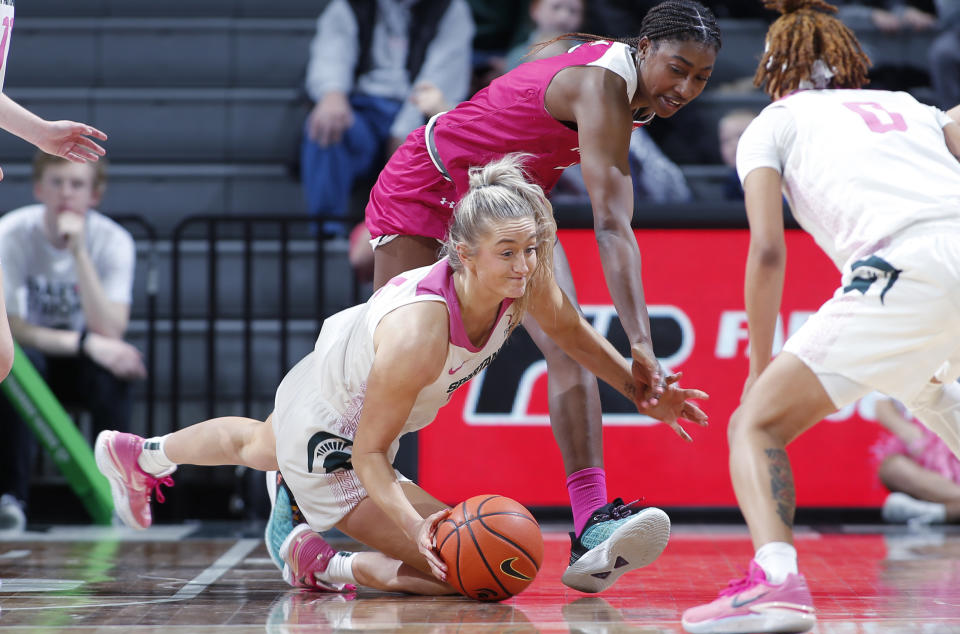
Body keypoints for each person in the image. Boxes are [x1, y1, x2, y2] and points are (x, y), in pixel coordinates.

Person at [95, 155, 709, 596]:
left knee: (257, 443)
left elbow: (574, 336)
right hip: (334, 441)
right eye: (509, 252)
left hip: (335, 371)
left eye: (531, 249)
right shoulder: (420, 333)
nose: (525, 265)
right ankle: (320, 565)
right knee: (469, 572)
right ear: (463, 255)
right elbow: (368, 457)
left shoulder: (522, 278)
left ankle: (143, 454)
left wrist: (643, 390)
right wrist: (417, 529)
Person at [364, 0, 721, 592]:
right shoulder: (604, 85)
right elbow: (612, 224)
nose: (684, 87)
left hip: (510, 207)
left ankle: (591, 524)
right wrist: (639, 343)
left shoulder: (632, 95)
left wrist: (635, 353)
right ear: (645, 47)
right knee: (385, 366)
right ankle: (296, 490)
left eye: (701, 78)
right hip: (430, 187)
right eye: (677, 68)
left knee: (568, 345)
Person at [680, 0, 960, 634]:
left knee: (755, 425)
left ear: (773, 70)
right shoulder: (914, 108)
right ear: (850, 66)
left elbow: (769, 249)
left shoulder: (771, 122)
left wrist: (757, 368)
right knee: (929, 389)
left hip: (903, 268)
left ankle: (776, 583)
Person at [0, 151, 143, 532]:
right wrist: (86, 343)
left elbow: (110, 328)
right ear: (38, 188)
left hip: (79, 361)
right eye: (56, 182)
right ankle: (11, 497)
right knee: (15, 362)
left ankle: (118, 496)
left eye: (77, 184)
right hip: (32, 356)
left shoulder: (113, 241)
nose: (66, 193)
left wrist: (79, 252)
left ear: (94, 195)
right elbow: (11, 326)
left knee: (115, 372)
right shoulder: (11, 233)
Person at [300, 0, 474, 238]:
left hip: (417, 111)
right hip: (363, 109)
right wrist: (332, 93)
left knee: (436, 143)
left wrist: (405, 132)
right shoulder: (351, 5)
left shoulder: (450, 8)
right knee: (326, 124)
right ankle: (326, 233)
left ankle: (406, 239)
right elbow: (332, 51)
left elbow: (441, 80)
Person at [873, 396, 960, 524]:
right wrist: (911, 434)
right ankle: (943, 511)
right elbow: (882, 404)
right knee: (893, 469)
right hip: (929, 452)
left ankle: (941, 512)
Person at [716, 109, 756, 200]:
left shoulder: (778, 179)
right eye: (726, 140)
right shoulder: (730, 183)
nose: (734, 144)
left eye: (741, 136)